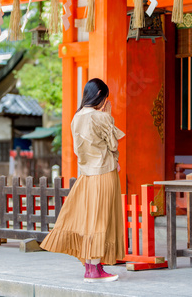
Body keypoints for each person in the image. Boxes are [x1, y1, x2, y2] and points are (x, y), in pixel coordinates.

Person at [40, 78, 125, 283]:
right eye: (105, 96)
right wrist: (108, 115)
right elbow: (114, 144)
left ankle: (91, 266)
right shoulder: (100, 117)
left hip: (86, 174)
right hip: (104, 173)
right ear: (99, 96)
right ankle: (95, 269)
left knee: (90, 219)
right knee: (102, 219)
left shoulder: (76, 117)